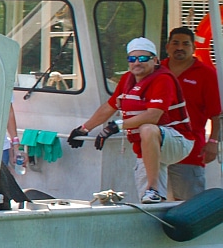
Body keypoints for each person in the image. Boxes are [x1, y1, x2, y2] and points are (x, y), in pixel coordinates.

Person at [68, 37, 195, 204]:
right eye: (132, 59)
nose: (137, 63)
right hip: (148, 146)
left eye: (143, 58)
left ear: (155, 60)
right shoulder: (128, 79)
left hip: (177, 141)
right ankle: (154, 199)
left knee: (147, 128)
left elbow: (153, 116)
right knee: (149, 202)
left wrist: (116, 126)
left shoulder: (163, 79)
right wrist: (84, 128)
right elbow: (110, 106)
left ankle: (153, 188)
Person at [162, 26, 222, 200]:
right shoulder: (157, 71)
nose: (180, 47)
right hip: (156, 151)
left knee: (188, 205)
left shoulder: (206, 74)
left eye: (185, 44)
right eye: (175, 43)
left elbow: (216, 113)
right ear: (167, 47)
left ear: (193, 48)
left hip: (190, 151)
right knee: (154, 207)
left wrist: (213, 141)